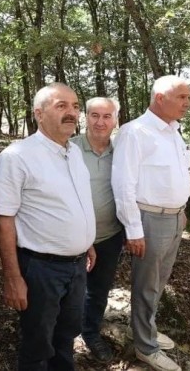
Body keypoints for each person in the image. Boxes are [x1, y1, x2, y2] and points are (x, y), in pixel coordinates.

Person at [0, 82, 97, 370]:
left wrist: (86, 241)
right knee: (38, 343)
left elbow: (73, 201)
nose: (71, 112)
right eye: (61, 106)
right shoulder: (16, 157)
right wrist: (12, 277)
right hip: (40, 269)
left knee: (66, 335)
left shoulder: (74, 152)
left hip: (77, 267)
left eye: (75, 106)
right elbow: (3, 220)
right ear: (39, 113)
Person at [111, 75, 190, 371]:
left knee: (159, 282)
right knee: (146, 285)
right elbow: (123, 184)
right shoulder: (135, 132)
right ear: (160, 98)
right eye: (182, 97)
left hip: (175, 217)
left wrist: (181, 211)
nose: (187, 103)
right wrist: (133, 229)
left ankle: (145, 328)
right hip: (149, 219)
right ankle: (145, 347)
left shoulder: (174, 132)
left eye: (188, 97)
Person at [69, 97, 124, 363]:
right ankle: (61, 337)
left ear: (116, 120)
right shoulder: (69, 148)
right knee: (67, 289)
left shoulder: (123, 152)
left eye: (107, 116)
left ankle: (90, 333)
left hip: (109, 235)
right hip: (72, 236)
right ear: (85, 117)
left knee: (98, 290)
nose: (100, 122)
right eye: (94, 115)